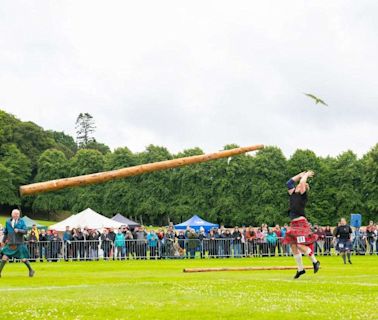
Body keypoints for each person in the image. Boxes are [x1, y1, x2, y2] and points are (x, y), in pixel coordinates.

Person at [283, 171, 320, 279]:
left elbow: (303, 183)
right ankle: (300, 269)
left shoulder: (303, 195)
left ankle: (315, 261)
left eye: (300, 185)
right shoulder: (293, 193)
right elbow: (289, 183)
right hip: (293, 224)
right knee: (293, 245)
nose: (298, 185)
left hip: (301, 224)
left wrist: (306, 176)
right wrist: (300, 175)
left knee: (300, 245)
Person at [0, 209, 35, 277]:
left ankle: (31, 270)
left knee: (23, 259)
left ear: (19, 215)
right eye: (15, 214)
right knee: (4, 258)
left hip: (19, 244)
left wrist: (19, 230)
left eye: (17, 214)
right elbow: (6, 232)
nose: (16, 215)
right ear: (12, 214)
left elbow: (26, 231)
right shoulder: (8, 222)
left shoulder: (22, 222)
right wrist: (3, 241)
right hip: (10, 244)